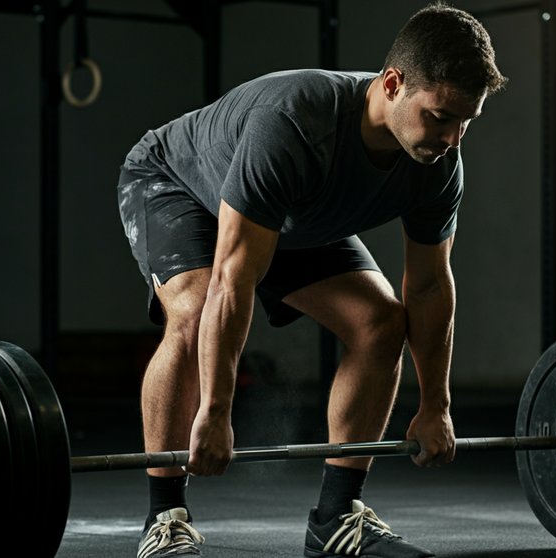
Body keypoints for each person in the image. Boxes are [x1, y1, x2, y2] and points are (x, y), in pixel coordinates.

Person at [116, 2, 505, 556]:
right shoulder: (297, 121)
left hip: (292, 215)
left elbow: (428, 287)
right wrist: (217, 412)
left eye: (467, 121)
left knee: (381, 321)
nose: (452, 137)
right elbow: (233, 278)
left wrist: (436, 405)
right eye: (441, 116)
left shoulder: (438, 164)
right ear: (392, 83)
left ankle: (336, 516)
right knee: (195, 307)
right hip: (178, 186)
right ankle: (166, 516)